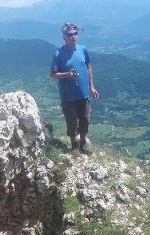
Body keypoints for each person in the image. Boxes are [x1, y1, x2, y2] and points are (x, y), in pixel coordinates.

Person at [50, 22, 99, 155]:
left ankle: (83, 144)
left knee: (85, 120)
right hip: (68, 96)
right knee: (71, 122)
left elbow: (88, 67)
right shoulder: (58, 53)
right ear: (64, 37)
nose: (73, 36)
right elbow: (53, 75)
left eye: (75, 34)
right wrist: (67, 74)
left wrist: (92, 87)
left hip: (83, 94)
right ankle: (74, 145)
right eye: (69, 34)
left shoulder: (83, 49)